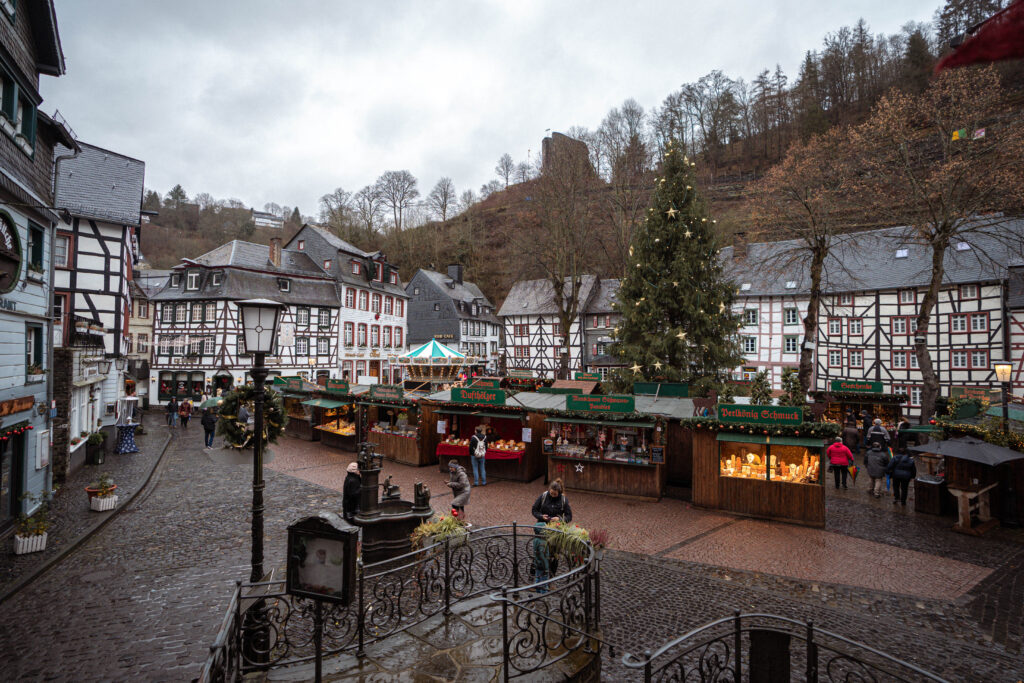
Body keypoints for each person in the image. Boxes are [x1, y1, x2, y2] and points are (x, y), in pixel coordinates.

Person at [532, 521, 551, 592]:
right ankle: (543, 594)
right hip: (542, 565)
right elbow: (543, 556)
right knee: (544, 581)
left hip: (537, 563)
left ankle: (537, 591)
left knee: (538, 578)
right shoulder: (542, 542)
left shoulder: (536, 540)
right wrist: (546, 567)